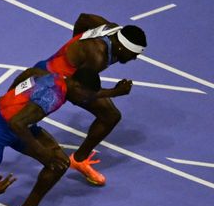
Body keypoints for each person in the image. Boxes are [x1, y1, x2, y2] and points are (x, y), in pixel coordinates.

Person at [0, 66, 128, 206]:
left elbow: (29, 73)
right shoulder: (52, 96)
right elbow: (16, 124)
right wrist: (41, 151)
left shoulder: (56, 78)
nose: (87, 101)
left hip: (21, 126)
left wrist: (113, 92)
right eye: (86, 97)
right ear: (77, 86)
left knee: (59, 163)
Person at [34, 15, 145, 186]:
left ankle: (79, 159)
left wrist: (74, 47)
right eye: (133, 54)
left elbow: (83, 19)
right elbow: (81, 94)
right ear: (122, 48)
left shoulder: (111, 28)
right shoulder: (97, 58)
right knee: (18, 124)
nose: (134, 59)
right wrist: (116, 92)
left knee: (110, 116)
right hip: (50, 81)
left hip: (71, 79)